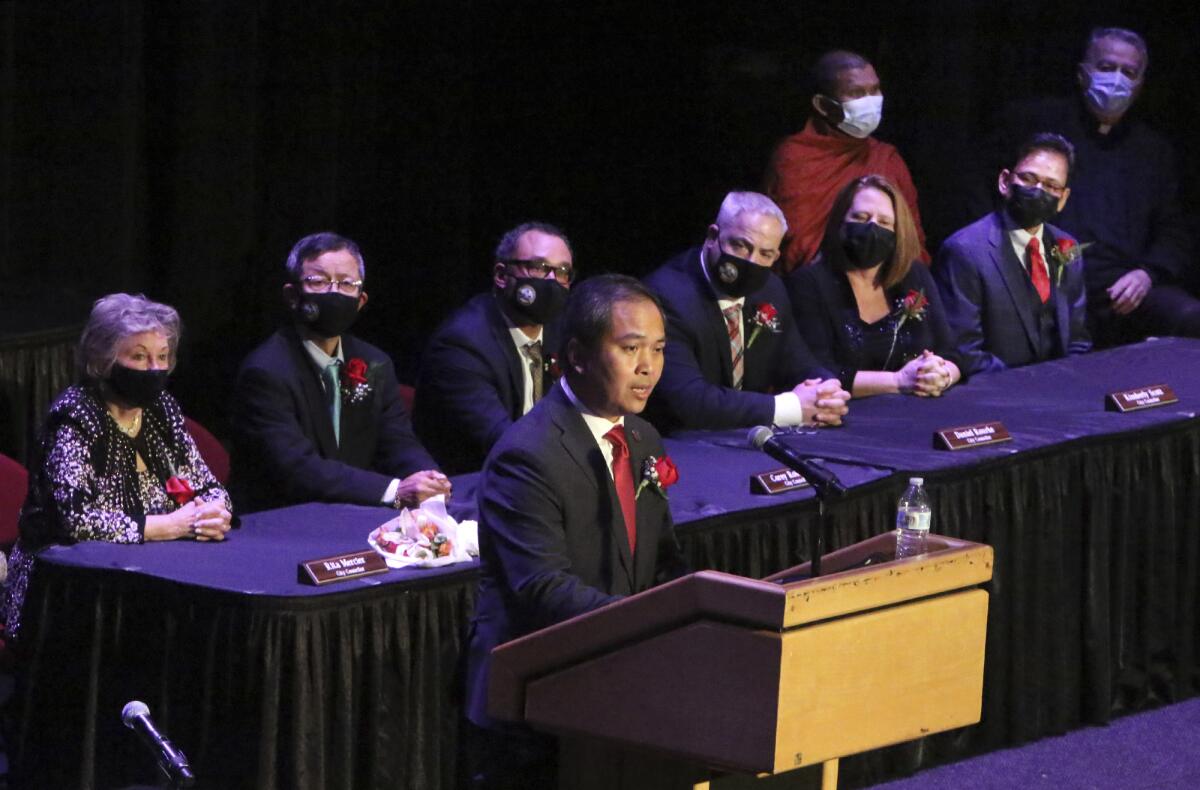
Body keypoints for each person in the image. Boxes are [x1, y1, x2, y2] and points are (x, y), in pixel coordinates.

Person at [463, 274, 688, 787]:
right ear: (579, 356)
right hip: (531, 701)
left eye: (657, 349)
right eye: (630, 348)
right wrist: (648, 621)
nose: (648, 367)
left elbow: (661, 558)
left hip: (612, 686)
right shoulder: (527, 454)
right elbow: (540, 587)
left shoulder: (643, 437)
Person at [2, 294, 233, 639]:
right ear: (103, 360)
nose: (154, 368)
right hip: (68, 587)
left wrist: (214, 511)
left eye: (162, 357)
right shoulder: (76, 417)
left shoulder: (162, 410)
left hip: (150, 570)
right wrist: (166, 525)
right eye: (139, 356)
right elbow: (74, 520)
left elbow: (206, 484)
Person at [978, 27, 1200, 346]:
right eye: (1107, 68)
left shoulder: (1154, 150)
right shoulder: (1034, 123)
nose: (1117, 80)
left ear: (1140, 85)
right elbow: (984, 192)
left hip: (1120, 285)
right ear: (1083, 73)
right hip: (1044, 276)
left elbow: (1175, 228)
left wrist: (1147, 273)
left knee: (1190, 318)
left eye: (1129, 72)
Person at [231, 232, 449, 512]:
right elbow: (297, 468)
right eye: (318, 281)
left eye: (346, 283)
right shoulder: (265, 371)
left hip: (352, 511)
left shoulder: (374, 362)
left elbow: (397, 441)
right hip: (283, 518)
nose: (333, 292)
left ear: (361, 300)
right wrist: (395, 491)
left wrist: (431, 478)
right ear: (292, 295)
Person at [643, 191, 850, 432]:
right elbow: (689, 400)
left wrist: (827, 391)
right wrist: (790, 408)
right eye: (741, 246)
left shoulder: (771, 289)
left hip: (748, 439)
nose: (752, 261)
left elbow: (797, 360)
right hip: (679, 443)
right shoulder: (666, 296)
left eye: (765, 254)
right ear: (712, 237)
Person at [413, 222, 572, 474]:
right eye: (539, 268)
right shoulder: (462, 343)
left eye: (563, 272)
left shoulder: (562, 332)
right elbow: (501, 440)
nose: (552, 281)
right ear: (501, 275)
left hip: (536, 475)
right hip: (473, 484)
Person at [788, 175, 963, 397]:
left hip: (916, 409)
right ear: (840, 222)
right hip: (845, 414)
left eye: (884, 222)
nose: (872, 227)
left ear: (898, 231)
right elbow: (815, 373)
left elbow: (952, 353)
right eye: (861, 217)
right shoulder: (808, 283)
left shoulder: (914, 274)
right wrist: (897, 381)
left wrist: (941, 376)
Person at [936, 133, 1092, 375]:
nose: (1038, 191)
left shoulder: (1067, 247)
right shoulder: (964, 251)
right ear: (1005, 182)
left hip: (1061, 390)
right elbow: (964, 351)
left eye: (1051, 185)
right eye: (1029, 179)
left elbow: (1078, 339)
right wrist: (1027, 385)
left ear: (1063, 199)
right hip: (997, 394)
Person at [765, 50, 929, 272]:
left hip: (883, 283)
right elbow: (794, 244)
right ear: (823, 105)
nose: (870, 102)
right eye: (857, 93)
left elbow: (912, 239)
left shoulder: (887, 158)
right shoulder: (795, 157)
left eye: (875, 90)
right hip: (815, 287)